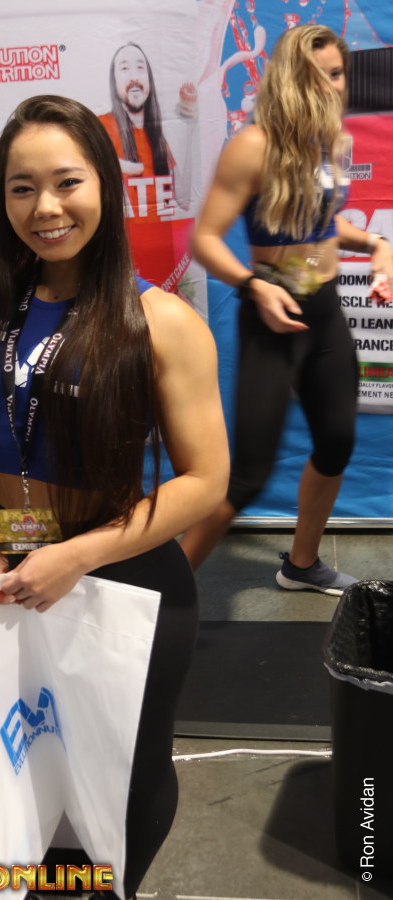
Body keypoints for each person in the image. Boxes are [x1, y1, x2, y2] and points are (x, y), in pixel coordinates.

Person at [0, 95, 228, 898]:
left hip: (124, 579)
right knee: (4, 761)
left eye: (67, 182)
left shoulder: (160, 320)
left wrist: (78, 555)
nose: (46, 207)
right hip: (9, 576)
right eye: (22, 187)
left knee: (126, 776)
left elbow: (207, 481)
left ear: (105, 183)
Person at [180, 24, 393, 594]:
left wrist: (376, 244)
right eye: (316, 74)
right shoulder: (254, 145)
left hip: (324, 314)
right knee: (247, 477)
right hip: (271, 317)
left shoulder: (330, 141)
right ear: (288, 79)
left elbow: (325, 225)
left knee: (336, 443)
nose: (330, 86)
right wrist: (254, 285)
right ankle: (156, 600)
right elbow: (204, 240)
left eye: (337, 74)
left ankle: (301, 565)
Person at [99, 41, 193, 216]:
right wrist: (110, 163)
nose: (134, 77)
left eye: (140, 68)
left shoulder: (158, 137)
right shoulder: (102, 126)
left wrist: (191, 127)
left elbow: (184, 200)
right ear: (114, 81)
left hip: (162, 232)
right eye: (124, 69)